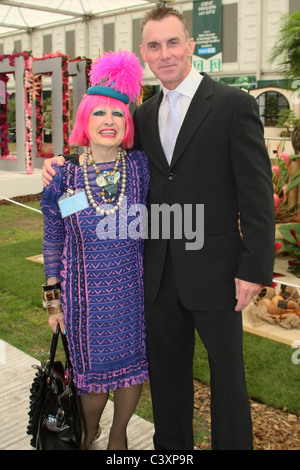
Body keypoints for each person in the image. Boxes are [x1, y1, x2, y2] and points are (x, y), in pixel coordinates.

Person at [41, 6, 275, 451]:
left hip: (219, 273)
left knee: (228, 378)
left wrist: (254, 267)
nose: (164, 53)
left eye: (172, 42)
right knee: (167, 380)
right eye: (154, 45)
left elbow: (257, 196)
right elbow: (107, 163)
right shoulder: (142, 116)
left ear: (190, 45)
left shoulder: (232, 104)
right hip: (155, 278)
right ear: (145, 54)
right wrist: (60, 166)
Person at [40, 50, 149, 451]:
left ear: (127, 123)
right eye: (99, 113)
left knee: (133, 371)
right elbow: (55, 235)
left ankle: (118, 438)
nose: (108, 121)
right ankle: (89, 433)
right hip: (83, 300)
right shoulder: (66, 176)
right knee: (90, 378)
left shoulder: (140, 168)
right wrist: (54, 301)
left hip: (132, 295)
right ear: (85, 120)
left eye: (117, 114)